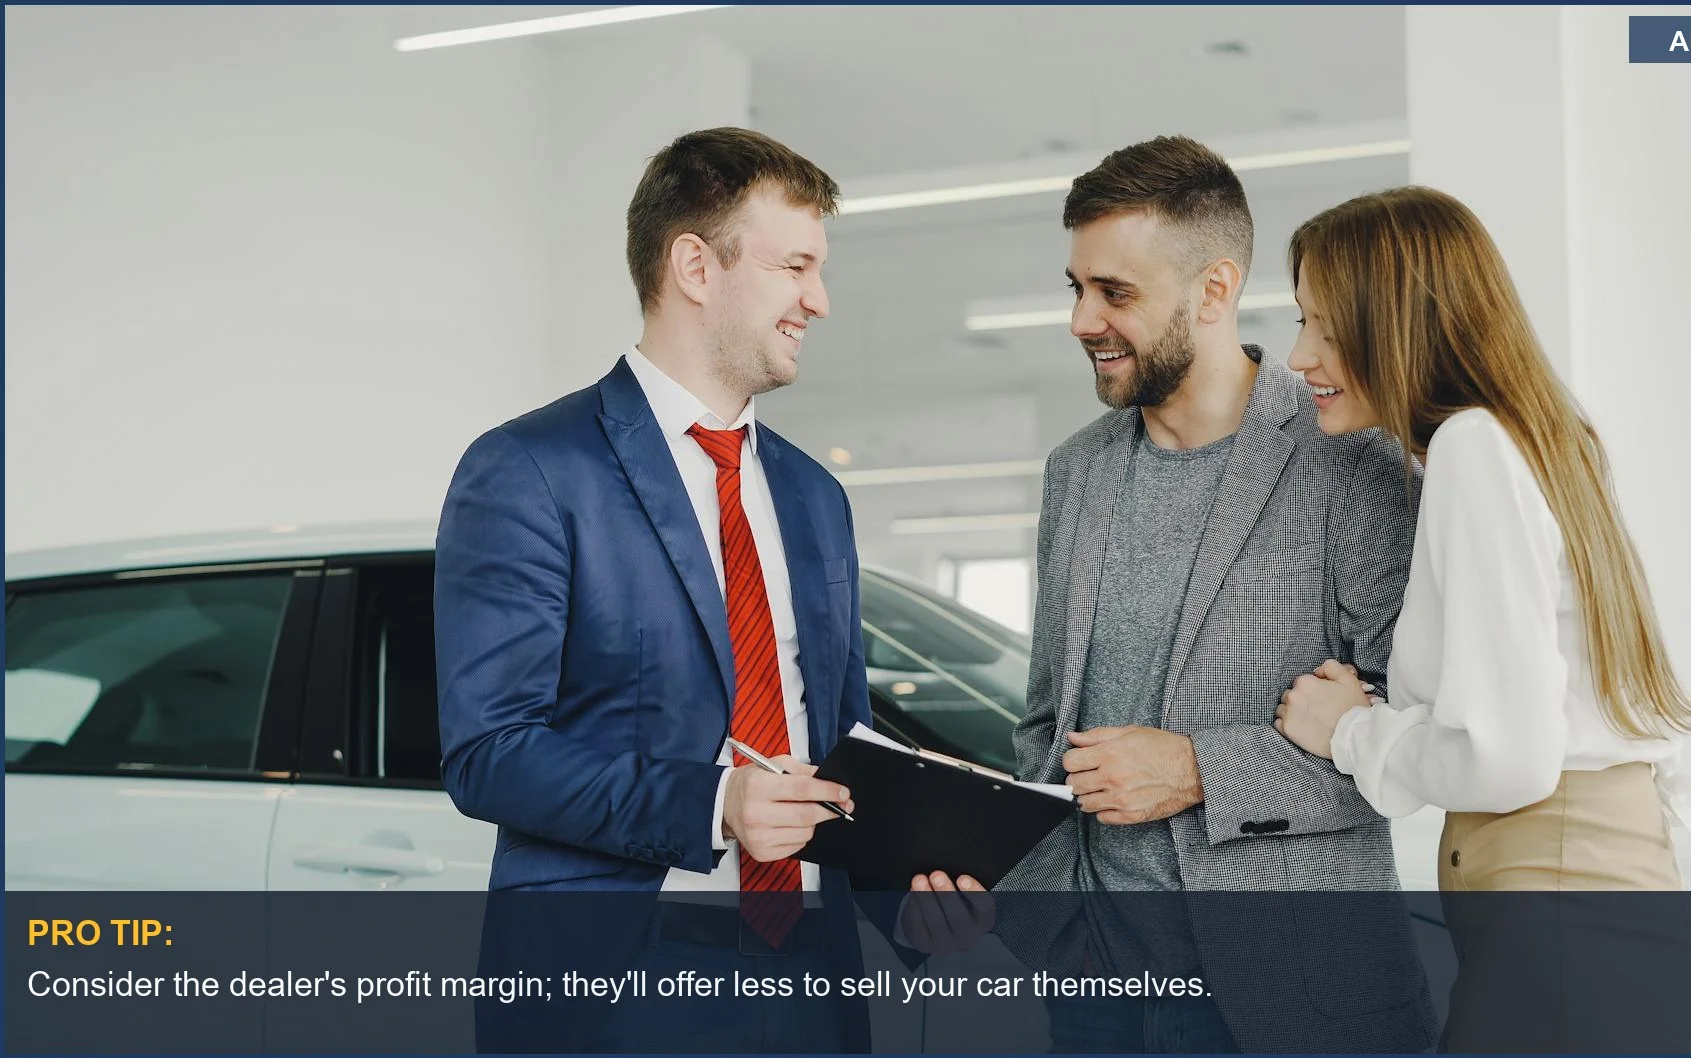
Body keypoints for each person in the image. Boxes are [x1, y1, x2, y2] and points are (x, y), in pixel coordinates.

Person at [434, 127, 988, 1054]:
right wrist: (711, 804)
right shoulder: (529, 469)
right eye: (795, 267)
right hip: (619, 983)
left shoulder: (815, 495)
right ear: (696, 264)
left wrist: (909, 901)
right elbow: (489, 750)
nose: (819, 299)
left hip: (812, 976)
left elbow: (837, 742)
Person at [996, 135, 1437, 1055]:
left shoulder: (1352, 463)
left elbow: (1419, 728)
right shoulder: (1075, 472)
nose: (1083, 319)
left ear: (1213, 290)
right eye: (1075, 288)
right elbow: (1047, 723)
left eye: (1116, 293)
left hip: (1294, 997)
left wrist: (1200, 769)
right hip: (1098, 993)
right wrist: (1007, 894)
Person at [1273, 185, 1691, 1049]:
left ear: (1397, 322)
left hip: (1554, 897)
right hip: (1590, 889)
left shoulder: (1475, 448)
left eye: (1323, 326)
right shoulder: (1538, 437)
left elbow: (1505, 761)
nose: (1297, 356)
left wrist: (1351, 729)